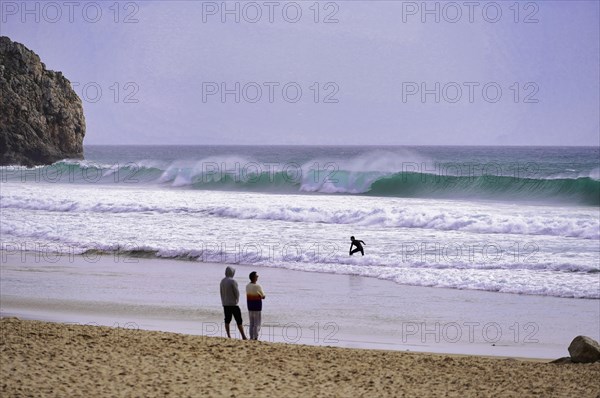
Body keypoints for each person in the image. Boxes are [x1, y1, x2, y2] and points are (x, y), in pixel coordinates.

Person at [220, 266, 247, 340]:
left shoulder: (222, 281)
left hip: (225, 303)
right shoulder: (232, 281)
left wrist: (223, 301)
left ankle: (229, 335)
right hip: (233, 304)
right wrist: (237, 299)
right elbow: (236, 292)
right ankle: (243, 336)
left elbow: (221, 292)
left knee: (227, 320)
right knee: (239, 320)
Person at [246, 271, 266, 340]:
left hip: (250, 306)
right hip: (257, 306)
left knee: (251, 323)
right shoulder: (258, 286)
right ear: (254, 277)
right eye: (256, 276)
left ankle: (251, 337)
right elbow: (263, 296)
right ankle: (255, 337)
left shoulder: (247, 286)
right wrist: (261, 296)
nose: (258, 276)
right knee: (257, 323)